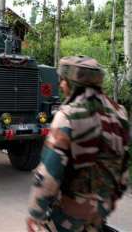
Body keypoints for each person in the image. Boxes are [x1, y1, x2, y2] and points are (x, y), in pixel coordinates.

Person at [27, 56, 130, 232]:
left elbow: (49, 174)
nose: (60, 85)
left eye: (63, 80)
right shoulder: (120, 112)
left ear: (72, 83)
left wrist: (36, 214)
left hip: (72, 208)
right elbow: (126, 162)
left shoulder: (68, 115)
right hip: (103, 205)